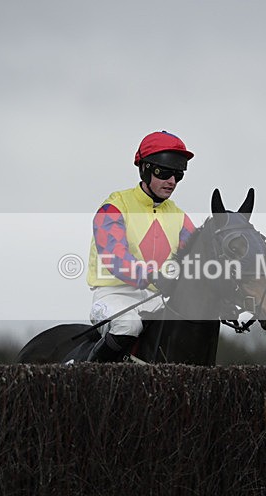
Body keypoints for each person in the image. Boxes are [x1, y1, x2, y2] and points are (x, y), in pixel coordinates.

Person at [85, 130, 196, 362]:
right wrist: (154, 276)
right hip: (113, 295)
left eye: (178, 175)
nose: (172, 181)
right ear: (145, 169)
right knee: (128, 326)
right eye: (165, 173)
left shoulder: (180, 217)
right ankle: (86, 377)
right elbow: (116, 258)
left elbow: (196, 260)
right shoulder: (114, 207)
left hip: (157, 300)